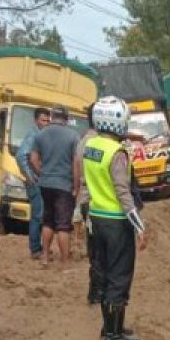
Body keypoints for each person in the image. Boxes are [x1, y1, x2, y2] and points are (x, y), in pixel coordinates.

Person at [82, 96, 147, 340]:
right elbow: (123, 193)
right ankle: (113, 336)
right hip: (116, 222)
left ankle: (111, 326)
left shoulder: (91, 146)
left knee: (105, 273)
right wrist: (140, 227)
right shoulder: (116, 153)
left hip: (96, 218)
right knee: (119, 276)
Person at [30, 106, 80, 266]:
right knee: (63, 225)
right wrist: (76, 186)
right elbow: (76, 164)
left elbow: (33, 159)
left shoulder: (40, 135)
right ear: (66, 119)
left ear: (52, 117)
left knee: (48, 221)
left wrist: (41, 173)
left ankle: (44, 257)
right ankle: (65, 262)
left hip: (45, 184)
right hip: (64, 185)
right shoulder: (73, 136)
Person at [15, 107, 50, 259]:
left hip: (40, 181)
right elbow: (21, 156)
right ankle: (35, 249)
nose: (46, 123)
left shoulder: (41, 135)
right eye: (43, 120)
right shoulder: (34, 135)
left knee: (41, 215)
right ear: (36, 120)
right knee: (37, 215)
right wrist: (30, 177)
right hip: (35, 183)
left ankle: (39, 247)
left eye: (48, 120)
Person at [76, 107, 101, 303]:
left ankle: (94, 290)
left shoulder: (82, 141)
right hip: (99, 202)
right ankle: (98, 291)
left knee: (93, 247)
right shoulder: (101, 144)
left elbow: (76, 172)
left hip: (85, 200)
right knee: (103, 249)